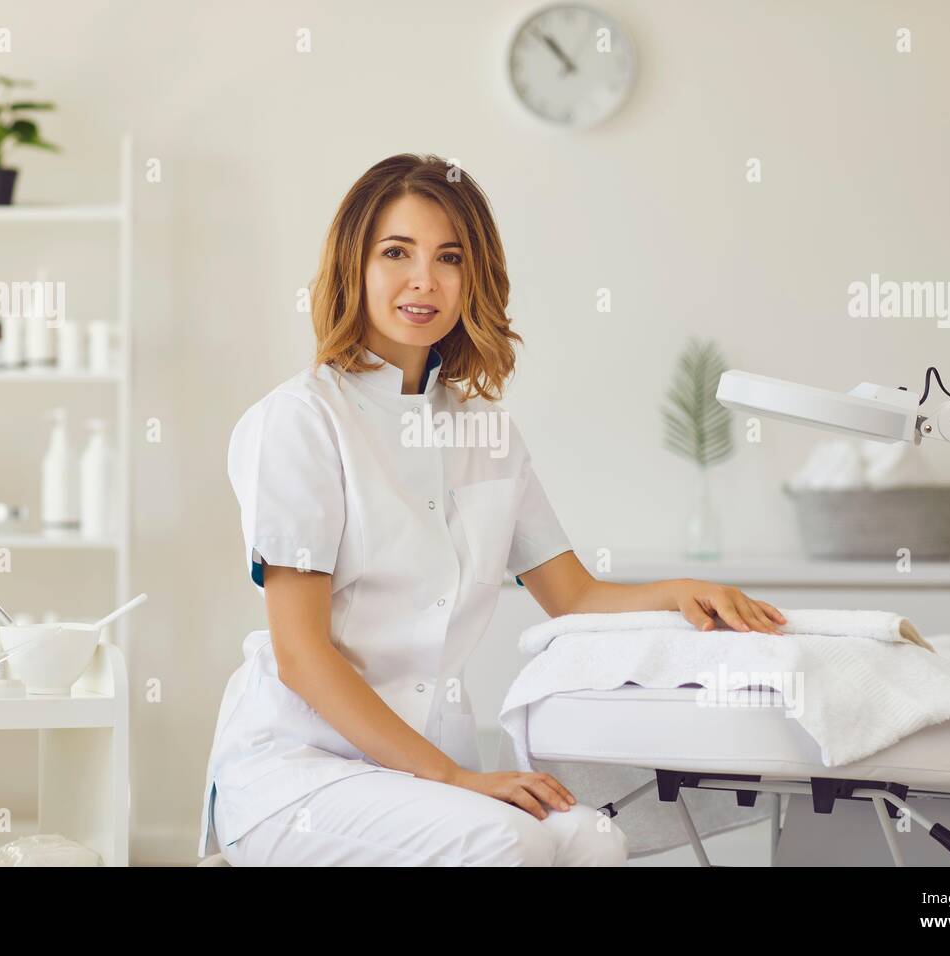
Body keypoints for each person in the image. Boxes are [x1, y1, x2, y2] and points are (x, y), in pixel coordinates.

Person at [199, 154, 786, 866]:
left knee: (596, 841)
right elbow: (300, 656)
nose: (424, 279)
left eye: (449, 257)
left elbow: (573, 595)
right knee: (507, 845)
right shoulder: (299, 420)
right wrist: (453, 776)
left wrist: (681, 593)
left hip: (428, 771)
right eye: (396, 252)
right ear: (353, 265)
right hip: (300, 769)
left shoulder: (487, 431)